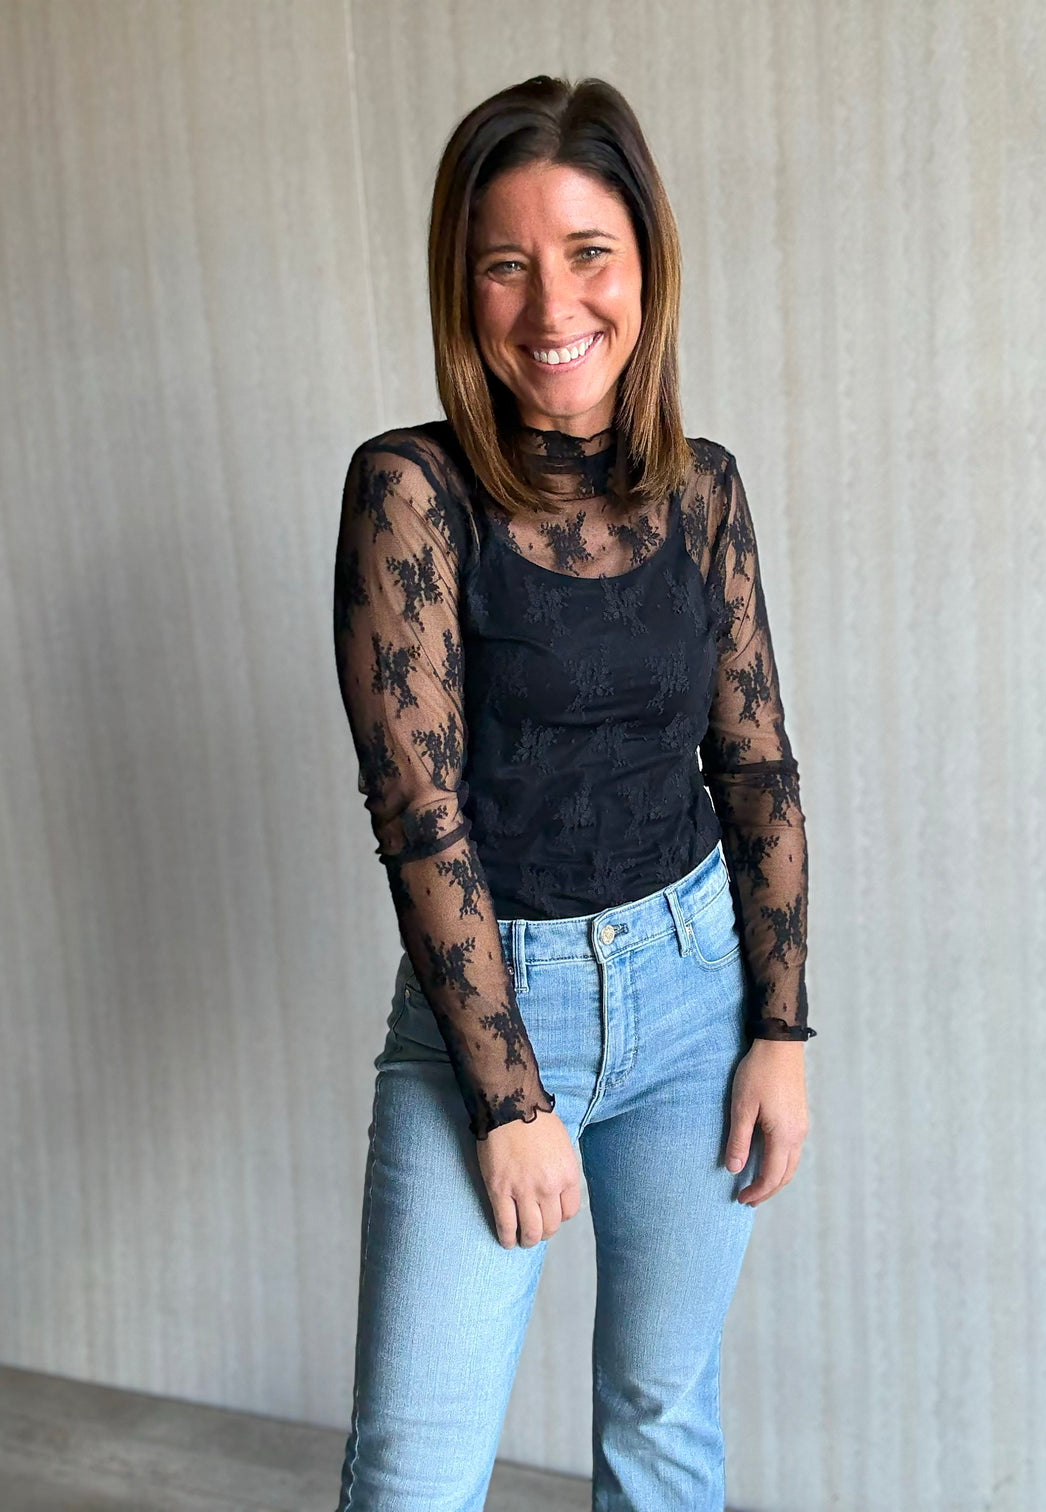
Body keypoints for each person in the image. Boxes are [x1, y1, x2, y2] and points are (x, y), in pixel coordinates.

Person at [331, 72, 815, 1512]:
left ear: (646, 265)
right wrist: (506, 1099)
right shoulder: (409, 493)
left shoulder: (705, 489)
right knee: (413, 1474)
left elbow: (757, 764)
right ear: (462, 286)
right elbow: (418, 814)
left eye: (588, 252)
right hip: (493, 1007)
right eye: (506, 263)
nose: (553, 306)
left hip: (692, 993)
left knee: (663, 1427)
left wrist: (781, 1031)